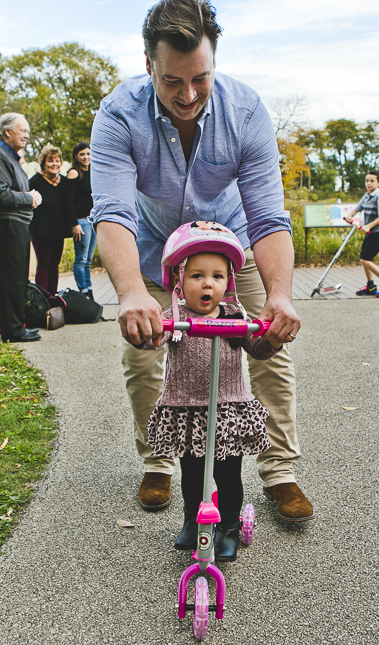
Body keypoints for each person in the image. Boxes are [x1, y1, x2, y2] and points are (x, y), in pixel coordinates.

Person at [90, 0, 313, 522]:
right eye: (172, 81)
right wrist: (132, 294)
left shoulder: (247, 111)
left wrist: (280, 294)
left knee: (268, 350)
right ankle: (158, 461)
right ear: (149, 65)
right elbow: (113, 212)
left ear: (214, 60)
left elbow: (268, 216)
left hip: (233, 248)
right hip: (155, 249)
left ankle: (280, 472)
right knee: (144, 357)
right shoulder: (118, 115)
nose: (188, 94)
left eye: (200, 78)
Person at [134, 222, 281, 561]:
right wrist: (146, 333)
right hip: (187, 410)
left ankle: (228, 525)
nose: (207, 283)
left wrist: (270, 338)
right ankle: (191, 519)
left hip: (228, 410)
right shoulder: (174, 317)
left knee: (228, 475)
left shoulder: (235, 316)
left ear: (227, 283)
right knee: (193, 474)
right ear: (180, 281)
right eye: (197, 275)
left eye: (217, 276)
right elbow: (153, 342)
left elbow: (257, 350)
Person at [0, 112, 43, 343]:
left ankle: (17, 326)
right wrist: (28, 198)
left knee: (18, 278)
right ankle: (13, 331)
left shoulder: (10, 157)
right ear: (7, 132)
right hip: (5, 225)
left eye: (27, 130)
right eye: (22, 130)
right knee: (9, 278)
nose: (27, 134)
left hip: (17, 223)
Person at [30, 144, 79, 294]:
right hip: (40, 230)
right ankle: (41, 299)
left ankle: (51, 298)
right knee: (44, 264)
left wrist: (75, 224)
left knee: (54, 265)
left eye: (57, 161)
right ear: (43, 163)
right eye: (50, 161)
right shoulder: (34, 181)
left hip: (58, 230)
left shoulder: (63, 182)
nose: (55, 164)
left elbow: (69, 203)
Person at [344, 170, 379, 297]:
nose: (369, 183)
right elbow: (357, 208)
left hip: (378, 233)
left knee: (365, 260)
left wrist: (368, 226)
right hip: (369, 233)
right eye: (367, 180)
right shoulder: (366, 196)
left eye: (372, 181)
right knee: (364, 260)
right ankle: (371, 286)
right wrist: (350, 216)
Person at [67, 141, 97, 300]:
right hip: (81, 222)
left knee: (88, 261)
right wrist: (75, 224)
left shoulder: (93, 171)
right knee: (81, 260)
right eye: (82, 154)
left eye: (88, 153)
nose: (86, 157)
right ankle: (83, 292)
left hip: (93, 220)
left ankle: (89, 292)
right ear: (76, 156)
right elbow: (68, 201)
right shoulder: (74, 173)